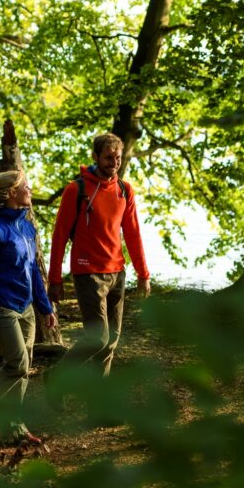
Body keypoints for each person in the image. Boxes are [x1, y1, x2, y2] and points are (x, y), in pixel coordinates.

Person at [48, 132, 150, 380]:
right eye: (108, 157)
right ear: (95, 157)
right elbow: (59, 236)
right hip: (88, 272)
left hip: (117, 272)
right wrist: (55, 280)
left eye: (117, 157)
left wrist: (143, 274)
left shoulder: (125, 190)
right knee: (98, 338)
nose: (114, 162)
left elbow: (134, 234)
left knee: (111, 341)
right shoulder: (76, 189)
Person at [0, 169, 58, 445]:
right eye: (26, 186)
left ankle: (15, 426)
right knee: (18, 364)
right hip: (3, 308)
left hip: (27, 310)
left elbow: (34, 271)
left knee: (23, 369)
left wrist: (46, 308)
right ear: (12, 193)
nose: (30, 190)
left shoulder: (27, 227)